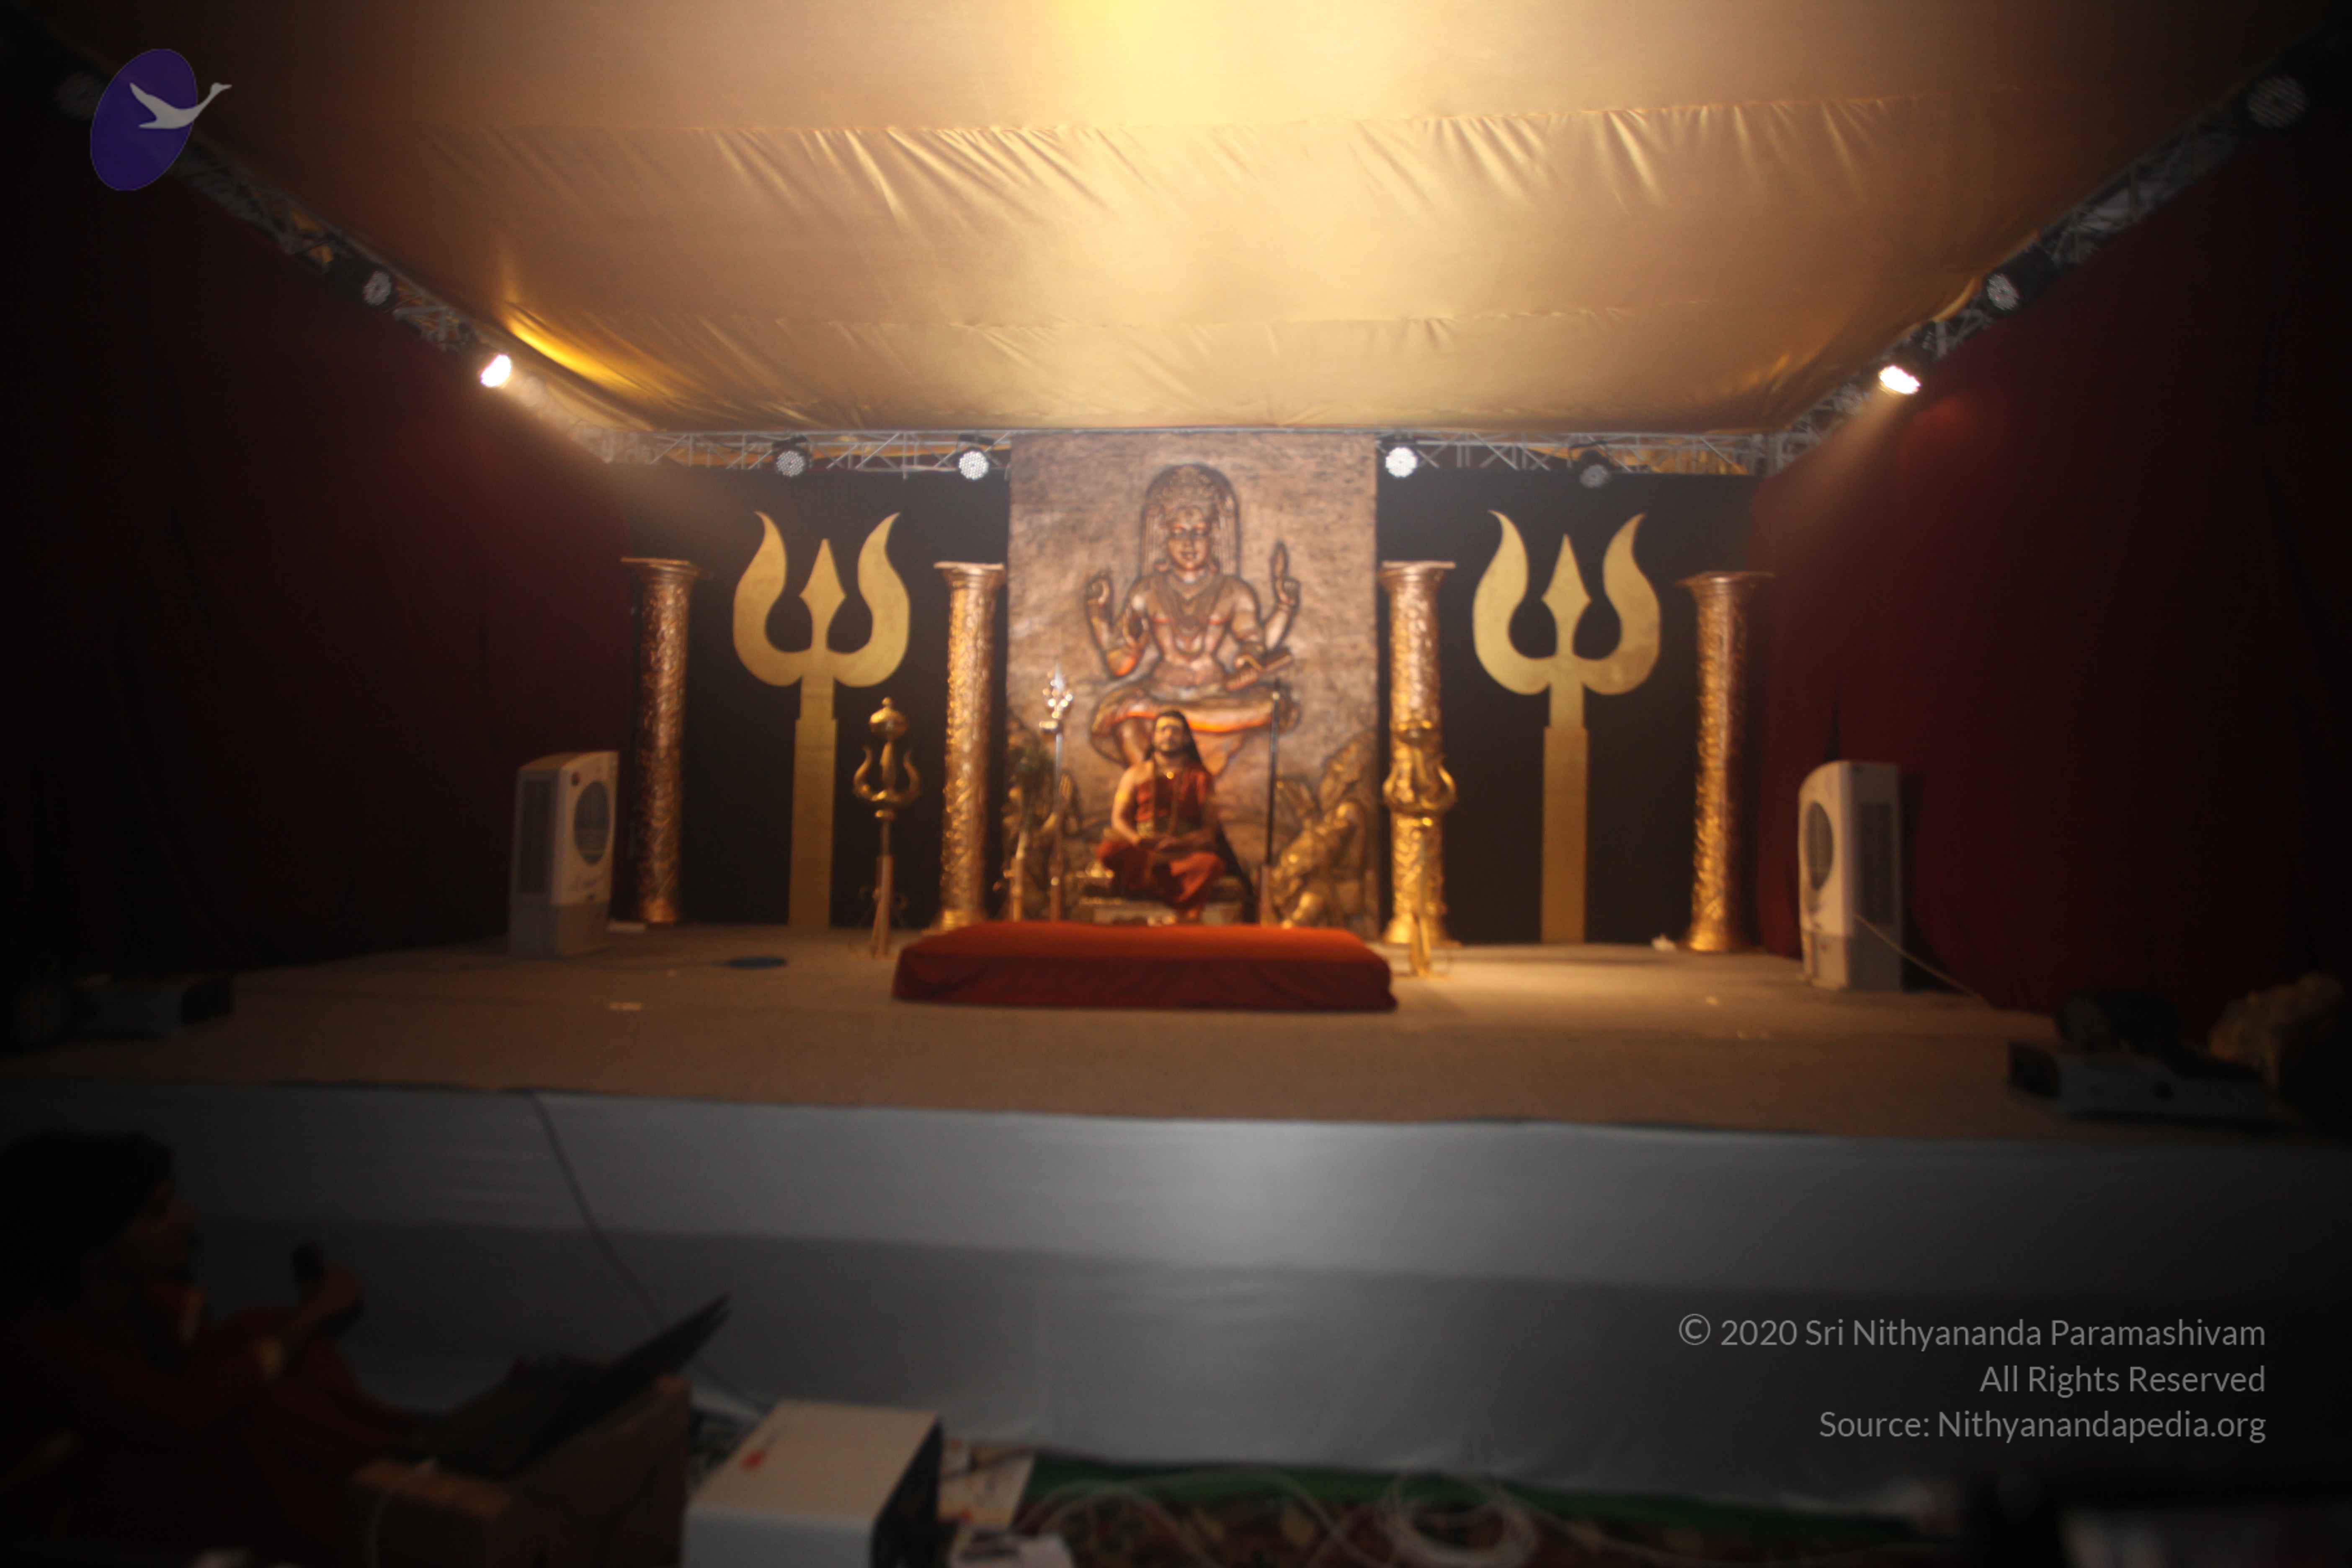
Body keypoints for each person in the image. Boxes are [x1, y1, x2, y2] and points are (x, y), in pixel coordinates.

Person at [0, 1130, 417, 1562]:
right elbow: (182, 1411)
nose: (187, 1217)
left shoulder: (140, 1306)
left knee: (264, 1337)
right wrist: (311, 1314)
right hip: (69, 1517)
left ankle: (404, 1462)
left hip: (137, 1475)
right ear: (92, 1246)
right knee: (263, 1416)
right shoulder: (40, 1341)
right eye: (158, 1211)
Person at [1082, 463, 1301, 776]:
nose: (1189, 543)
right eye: (1179, 533)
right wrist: (1100, 617)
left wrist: (1255, 649)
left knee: (1274, 705)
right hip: (1162, 687)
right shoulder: (1146, 591)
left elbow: (1254, 643)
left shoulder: (1233, 591)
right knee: (1124, 722)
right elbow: (1119, 667)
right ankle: (1155, 788)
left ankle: (1162, 714)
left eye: (1199, 533)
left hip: (1214, 695)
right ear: (1165, 539)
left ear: (1212, 538)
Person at [1096, 710, 1238, 921]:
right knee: (1108, 851)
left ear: (1186, 738)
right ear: (1153, 737)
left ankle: (1147, 880)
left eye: (1175, 731)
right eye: (1163, 730)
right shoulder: (1135, 774)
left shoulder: (1200, 777)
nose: (1169, 735)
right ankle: (1159, 879)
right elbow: (1118, 819)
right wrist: (1138, 840)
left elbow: (1210, 829)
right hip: (1144, 848)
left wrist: (1181, 843)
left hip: (1181, 852)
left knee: (1210, 865)